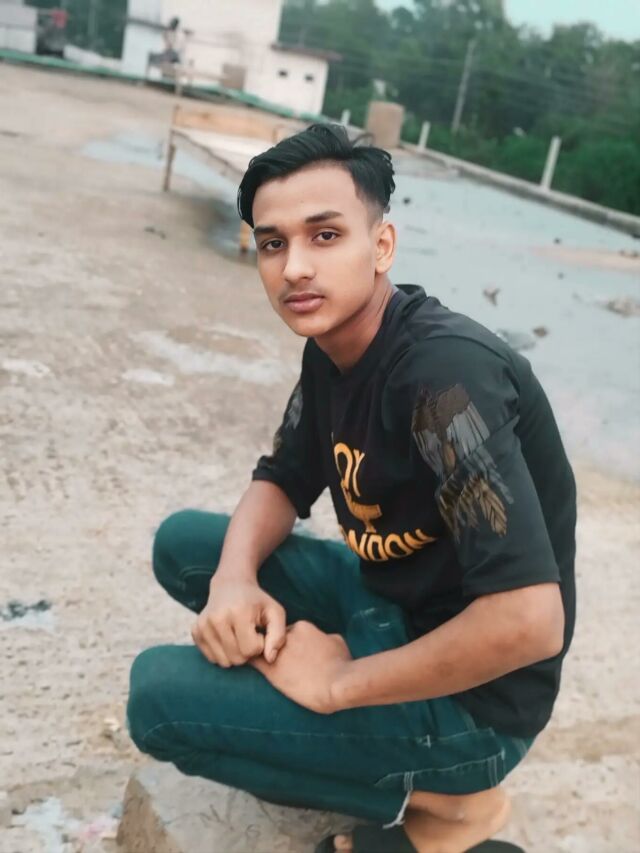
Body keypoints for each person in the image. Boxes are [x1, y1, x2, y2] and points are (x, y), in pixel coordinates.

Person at [126, 124, 576, 853]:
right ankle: (357, 724)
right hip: (390, 601)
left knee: (157, 701)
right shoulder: (332, 346)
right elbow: (283, 477)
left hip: (477, 699)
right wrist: (235, 582)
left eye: (326, 235)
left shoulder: (443, 380)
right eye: (273, 244)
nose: (295, 268)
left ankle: (456, 799)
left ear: (382, 245)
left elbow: (530, 622)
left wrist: (339, 682)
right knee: (187, 546)